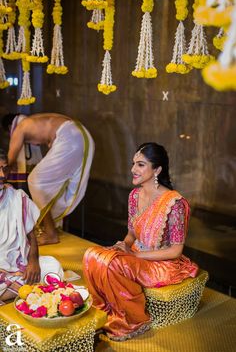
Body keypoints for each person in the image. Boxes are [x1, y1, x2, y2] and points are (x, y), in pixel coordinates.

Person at [83, 142, 199, 341]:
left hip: (161, 263)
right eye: (133, 163)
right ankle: (103, 312)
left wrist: (135, 255)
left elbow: (175, 251)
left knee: (112, 263)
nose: (133, 169)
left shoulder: (175, 203)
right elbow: (131, 234)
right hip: (135, 254)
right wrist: (123, 246)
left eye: (140, 164)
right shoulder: (135, 196)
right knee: (92, 255)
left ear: (157, 169)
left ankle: (131, 320)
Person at [2, 112, 95, 245]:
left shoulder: (20, 128)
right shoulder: (36, 120)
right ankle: (51, 226)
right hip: (79, 134)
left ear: (11, 127)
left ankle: (50, 233)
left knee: (35, 181)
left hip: (69, 137)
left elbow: (7, 163)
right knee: (50, 182)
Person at [0, 148, 63, 305]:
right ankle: (17, 292)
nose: (2, 175)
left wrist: (33, 261)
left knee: (52, 266)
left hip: (18, 264)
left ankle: (11, 293)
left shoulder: (17, 198)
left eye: (4, 168)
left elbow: (30, 234)